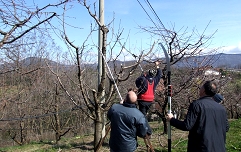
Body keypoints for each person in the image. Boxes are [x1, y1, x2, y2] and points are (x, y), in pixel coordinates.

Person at [166, 80, 229, 152]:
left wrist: (172, 120)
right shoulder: (221, 108)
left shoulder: (197, 105)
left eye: (202, 86)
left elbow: (187, 125)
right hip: (220, 148)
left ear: (204, 90)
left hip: (201, 147)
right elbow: (226, 127)